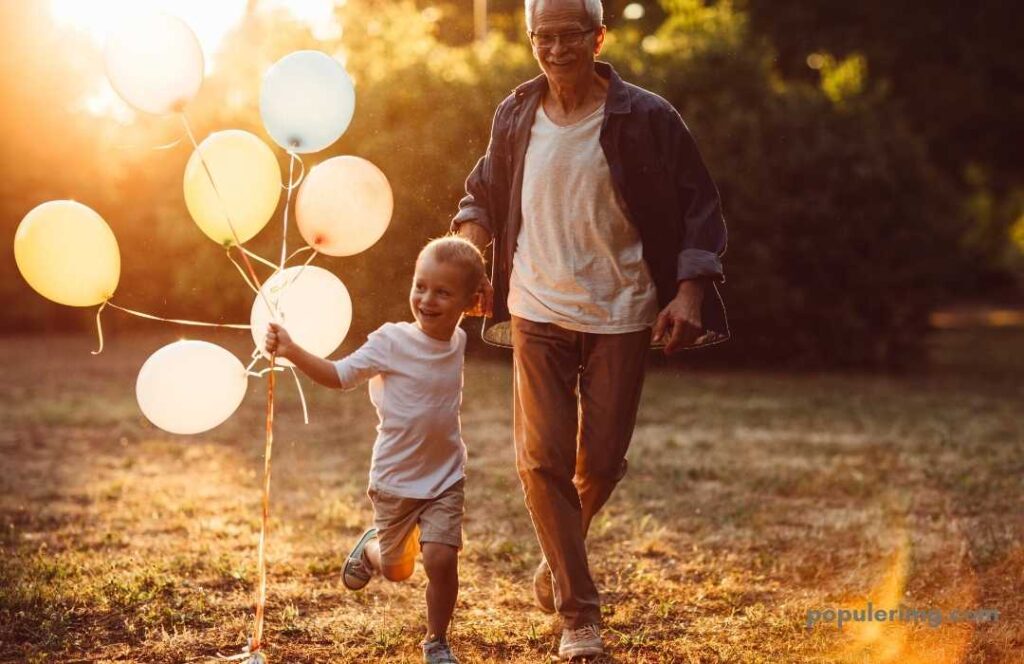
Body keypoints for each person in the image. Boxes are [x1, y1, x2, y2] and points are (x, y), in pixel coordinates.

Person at [451, 0, 729, 658]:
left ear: (597, 36)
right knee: (542, 460)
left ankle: (559, 556)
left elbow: (700, 204)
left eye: (567, 34)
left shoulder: (648, 117)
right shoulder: (515, 114)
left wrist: (690, 290)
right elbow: (482, 193)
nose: (553, 48)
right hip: (538, 308)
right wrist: (468, 253)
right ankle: (580, 617)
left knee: (601, 461)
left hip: (623, 310)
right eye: (540, 37)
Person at [264, 237, 486, 664]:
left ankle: (436, 642)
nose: (427, 299)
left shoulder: (458, 338)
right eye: (421, 286)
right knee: (397, 570)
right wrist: (291, 350)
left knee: (440, 560)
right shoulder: (390, 342)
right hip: (394, 482)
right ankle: (371, 549)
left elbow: (479, 287)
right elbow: (339, 375)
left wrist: (482, 280)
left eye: (443, 292)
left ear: (468, 302)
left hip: (445, 477)